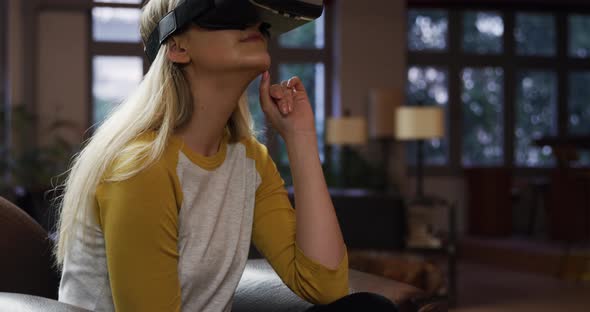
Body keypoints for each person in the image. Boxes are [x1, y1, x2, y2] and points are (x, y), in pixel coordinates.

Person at [53, 0, 398, 311]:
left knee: (368, 309)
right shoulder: (143, 168)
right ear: (177, 47)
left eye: (261, 22)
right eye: (230, 12)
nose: (253, 26)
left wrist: (301, 137)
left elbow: (324, 286)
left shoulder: (249, 161)